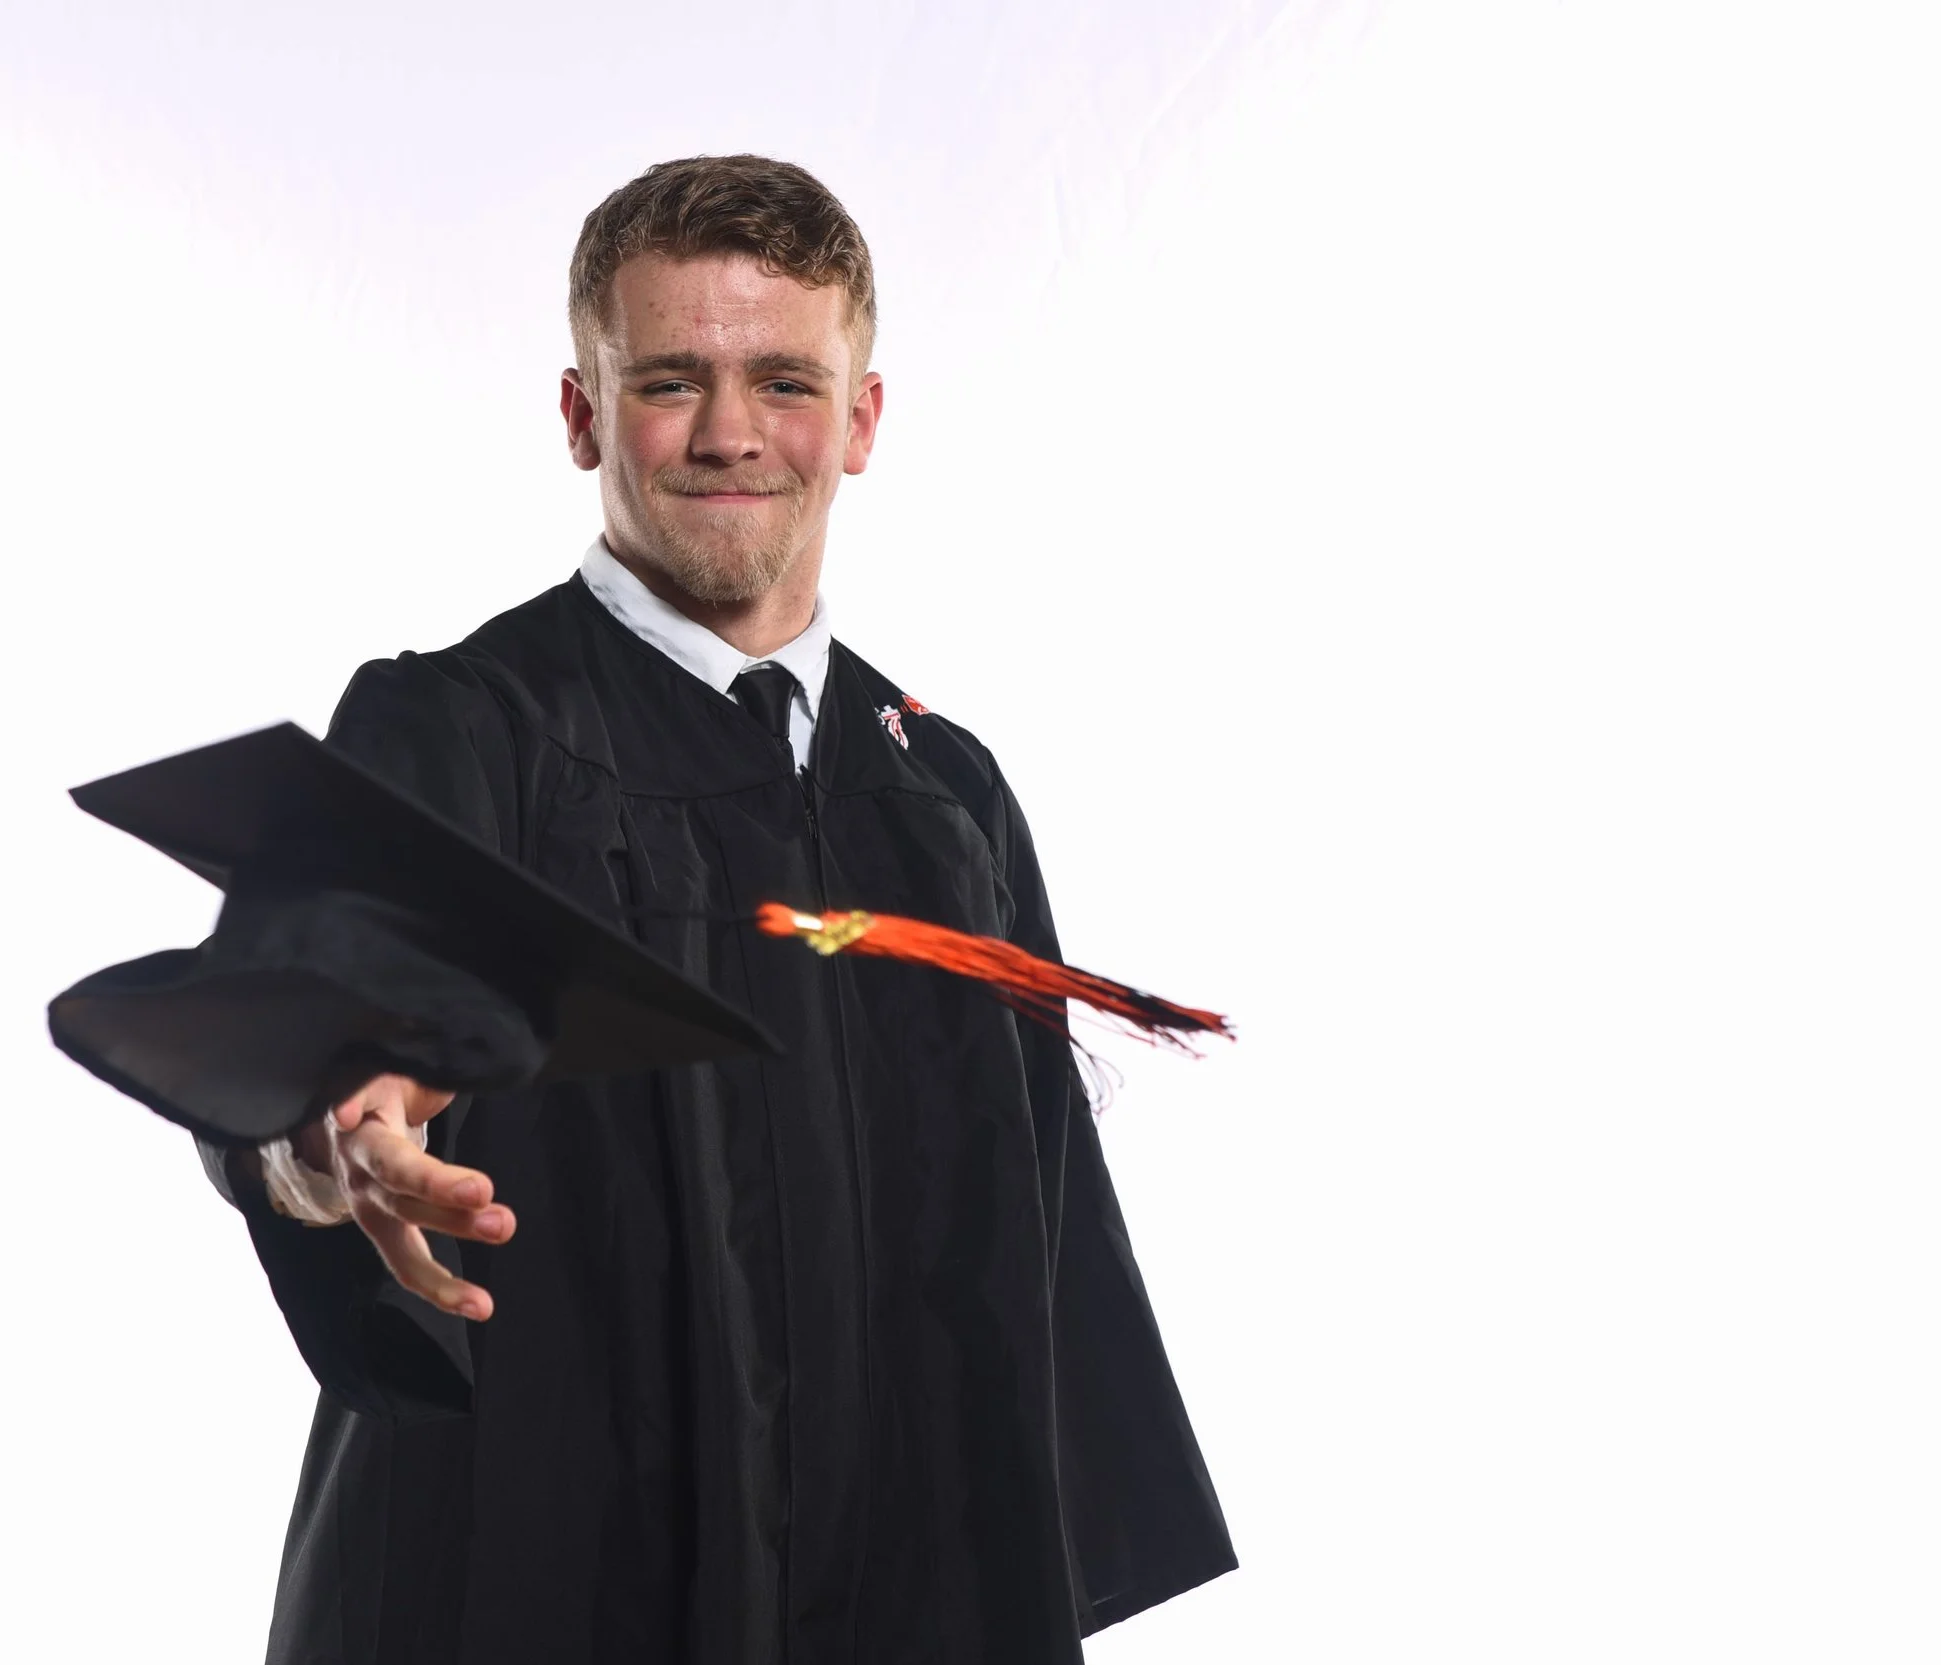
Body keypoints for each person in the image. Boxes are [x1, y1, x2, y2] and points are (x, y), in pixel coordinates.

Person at [196, 154, 1233, 1664]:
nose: (732, 433)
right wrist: (324, 1142)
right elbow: (307, 1018)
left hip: (899, 1595)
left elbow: (1041, 1224)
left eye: (786, 382)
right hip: (534, 1591)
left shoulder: (943, 794)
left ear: (863, 421)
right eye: (671, 380)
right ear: (582, 415)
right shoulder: (461, 733)